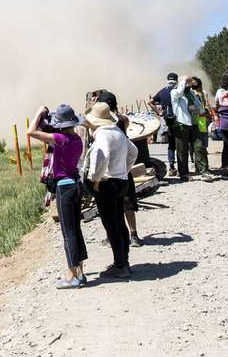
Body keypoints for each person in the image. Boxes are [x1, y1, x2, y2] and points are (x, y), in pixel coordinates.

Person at [29, 104, 87, 288]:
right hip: (76, 185)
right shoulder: (77, 138)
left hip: (65, 188)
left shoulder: (60, 139)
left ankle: (72, 276)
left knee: (67, 232)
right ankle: (81, 272)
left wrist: (38, 112)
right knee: (75, 230)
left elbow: (31, 132)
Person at [82, 101, 137, 278]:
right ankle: (124, 261)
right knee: (119, 222)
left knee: (110, 224)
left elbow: (102, 155)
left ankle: (119, 265)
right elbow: (133, 152)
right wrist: (125, 170)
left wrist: (95, 179)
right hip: (121, 181)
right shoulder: (118, 132)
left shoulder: (102, 135)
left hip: (107, 183)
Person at [93, 89, 143, 247]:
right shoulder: (123, 119)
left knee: (111, 208)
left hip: (108, 171)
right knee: (128, 203)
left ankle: (113, 237)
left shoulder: (100, 122)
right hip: (123, 167)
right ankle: (133, 235)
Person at [170, 76, 214, 182]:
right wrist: (184, 80)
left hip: (195, 124)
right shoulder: (175, 92)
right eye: (187, 82)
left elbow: (199, 107)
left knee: (199, 147)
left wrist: (205, 115)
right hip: (181, 124)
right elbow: (180, 91)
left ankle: (204, 171)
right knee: (182, 150)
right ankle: (184, 174)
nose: (189, 84)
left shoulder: (192, 94)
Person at [151, 73, 179, 177]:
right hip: (179, 121)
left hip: (168, 121)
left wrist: (159, 113)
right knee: (181, 145)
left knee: (171, 145)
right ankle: (182, 169)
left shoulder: (163, 91)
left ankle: (172, 167)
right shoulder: (179, 91)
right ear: (176, 80)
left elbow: (150, 102)